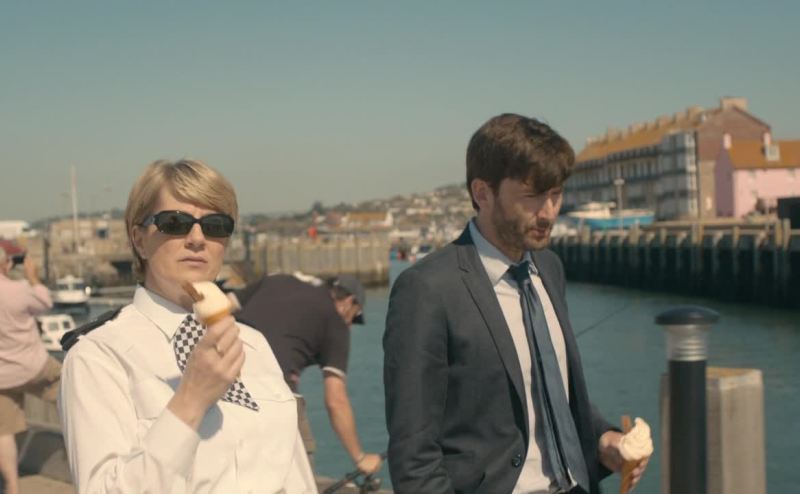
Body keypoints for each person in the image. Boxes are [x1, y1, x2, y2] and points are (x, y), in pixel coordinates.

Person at [383, 114, 650, 493]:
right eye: (532, 196)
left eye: (555, 194)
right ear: (482, 193)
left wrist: (604, 440)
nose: (549, 212)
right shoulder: (426, 289)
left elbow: (552, 393)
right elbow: (413, 455)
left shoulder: (549, 268)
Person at [57, 159, 316, 493]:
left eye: (215, 225)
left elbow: (295, 475)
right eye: (175, 223)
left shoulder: (252, 343)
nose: (197, 238)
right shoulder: (99, 357)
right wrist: (190, 401)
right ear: (139, 240)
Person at [235, 273, 383, 476]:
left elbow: (221, 306)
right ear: (349, 302)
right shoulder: (336, 321)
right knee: (302, 463)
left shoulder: (276, 280)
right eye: (354, 317)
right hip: (275, 393)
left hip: (226, 383)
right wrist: (360, 458)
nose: (349, 325)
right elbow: (336, 400)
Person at [0, 251, 57, 494]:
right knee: (73, 390)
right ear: (6, 264)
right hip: (36, 368)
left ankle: (12, 487)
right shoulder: (19, 289)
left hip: (2, 377)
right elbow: (45, 303)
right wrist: (32, 277)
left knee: (3, 432)